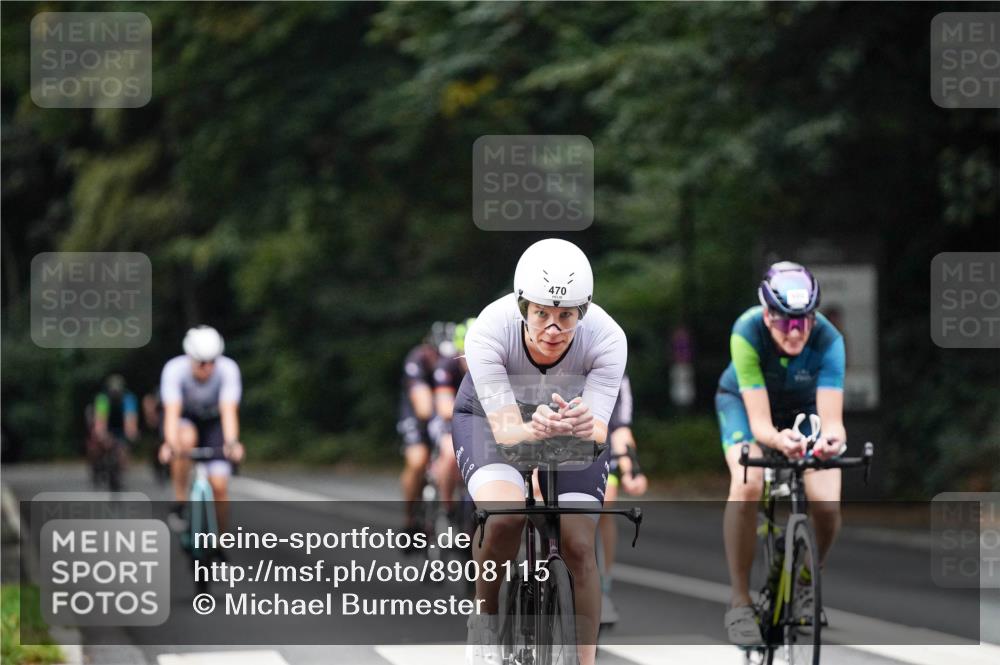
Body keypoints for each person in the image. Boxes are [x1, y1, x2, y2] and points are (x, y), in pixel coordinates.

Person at [454, 238, 626, 665]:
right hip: (491, 419)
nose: (553, 329)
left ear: (583, 311)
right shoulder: (489, 331)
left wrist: (583, 425)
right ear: (522, 307)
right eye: (541, 314)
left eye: (566, 316)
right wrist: (535, 428)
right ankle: (485, 618)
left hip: (566, 422)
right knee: (505, 517)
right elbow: (508, 433)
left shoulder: (607, 338)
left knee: (579, 544)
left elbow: (598, 430)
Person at [717, 262, 846, 645]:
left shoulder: (829, 339)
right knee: (748, 482)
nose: (795, 331)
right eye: (785, 321)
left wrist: (830, 442)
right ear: (767, 315)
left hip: (803, 410)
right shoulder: (746, 331)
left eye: (803, 321)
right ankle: (740, 602)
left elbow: (833, 423)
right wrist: (778, 441)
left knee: (827, 504)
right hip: (745, 407)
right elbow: (760, 426)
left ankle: (807, 578)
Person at [158, 326, 245, 532]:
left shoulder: (228, 369)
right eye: (202, 362)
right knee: (185, 440)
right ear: (190, 358)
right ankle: (180, 499)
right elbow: (172, 412)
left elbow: (228, 410)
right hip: (185, 418)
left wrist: (232, 443)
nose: (208, 368)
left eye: (213, 361)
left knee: (219, 485)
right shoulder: (174, 369)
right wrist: (170, 444)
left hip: (214, 422)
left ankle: (221, 539)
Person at [597, 373, 648, 626]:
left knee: (605, 502)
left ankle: (603, 588)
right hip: (548, 443)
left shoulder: (614, 370)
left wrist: (630, 470)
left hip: (598, 449)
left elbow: (620, 428)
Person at [398, 322, 452, 539]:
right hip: (418, 415)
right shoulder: (417, 359)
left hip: (445, 412)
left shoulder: (457, 362)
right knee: (418, 460)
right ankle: (410, 519)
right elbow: (423, 408)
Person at [429, 318, 476, 513]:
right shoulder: (447, 365)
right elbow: (444, 408)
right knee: (450, 453)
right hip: (450, 420)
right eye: (466, 354)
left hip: (482, 421)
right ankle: (447, 507)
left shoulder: (496, 364)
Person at [89, 374, 139, 489]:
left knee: (123, 449)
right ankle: (97, 466)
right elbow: (100, 421)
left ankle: (121, 470)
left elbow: (130, 420)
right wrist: (102, 435)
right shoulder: (103, 399)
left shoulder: (128, 398)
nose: (115, 393)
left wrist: (131, 434)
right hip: (107, 424)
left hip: (121, 426)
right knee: (96, 444)